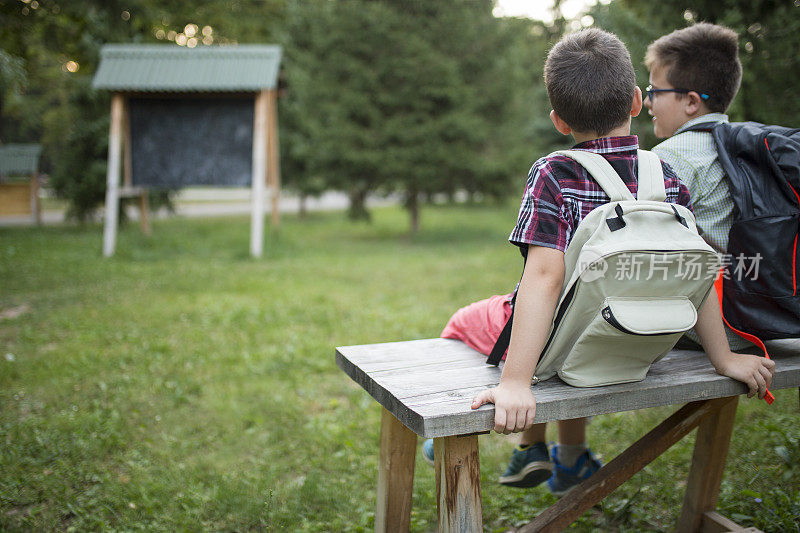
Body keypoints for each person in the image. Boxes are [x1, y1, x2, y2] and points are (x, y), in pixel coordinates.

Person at [423, 28, 775, 496]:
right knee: (584, 316)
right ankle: (566, 459)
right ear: (634, 100)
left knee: (464, 319)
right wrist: (724, 356)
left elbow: (545, 280)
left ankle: (450, 442)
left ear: (558, 121)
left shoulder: (554, 173)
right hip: (634, 342)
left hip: (561, 346)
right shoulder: (664, 174)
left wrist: (516, 383)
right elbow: (697, 269)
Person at [643, 22, 749, 351]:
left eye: (654, 92)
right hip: (755, 317)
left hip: (702, 329)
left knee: (481, 316)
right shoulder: (746, 146)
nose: (648, 103)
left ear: (691, 102)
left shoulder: (671, 157)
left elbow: (641, 252)